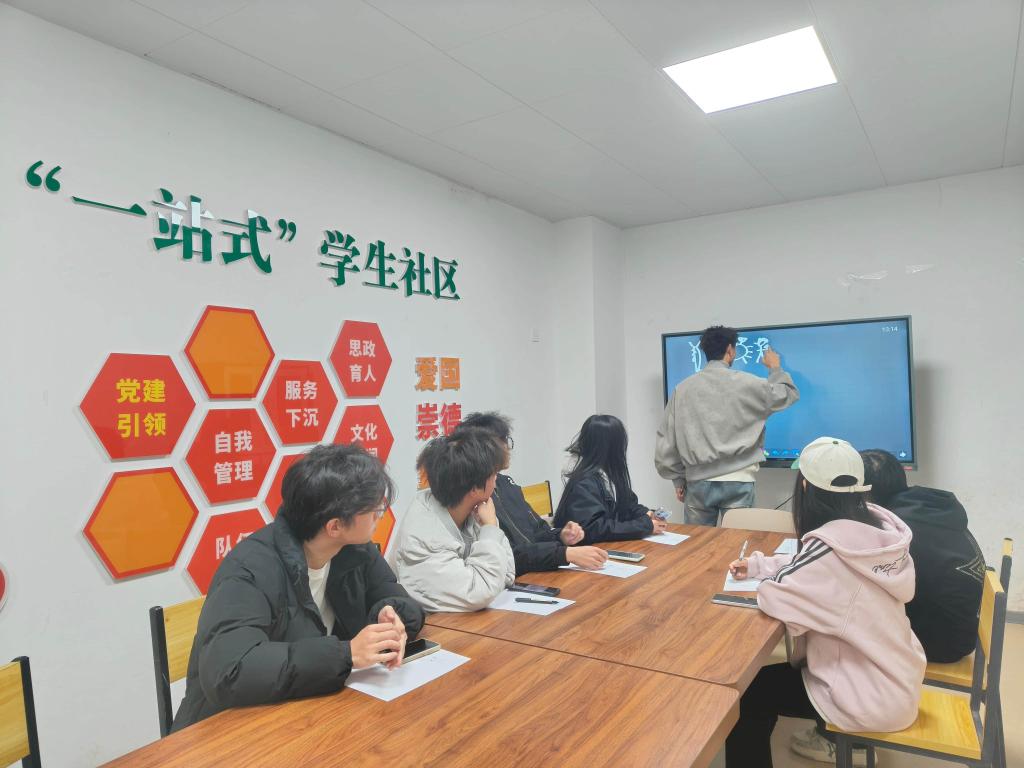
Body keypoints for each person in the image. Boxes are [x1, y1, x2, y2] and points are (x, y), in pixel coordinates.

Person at [172, 444, 424, 732]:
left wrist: (389, 616)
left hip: (309, 714)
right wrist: (346, 654)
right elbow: (229, 672)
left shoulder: (354, 549)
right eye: (375, 509)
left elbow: (401, 600)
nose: (381, 514)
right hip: (229, 729)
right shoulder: (250, 569)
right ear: (334, 526)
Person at [724, 437, 925, 768]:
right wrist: (761, 565)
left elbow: (776, 595)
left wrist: (765, 576)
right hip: (896, 679)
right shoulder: (875, 532)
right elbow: (812, 564)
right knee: (762, 686)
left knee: (746, 697)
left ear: (804, 486)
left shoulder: (829, 549)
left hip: (866, 697)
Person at [655, 325, 799, 526]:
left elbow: (667, 441)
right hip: (739, 480)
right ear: (730, 350)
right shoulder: (749, 383)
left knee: (699, 543)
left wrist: (678, 479)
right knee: (739, 542)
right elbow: (787, 394)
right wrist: (775, 368)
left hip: (698, 483)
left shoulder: (682, 389)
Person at [860, 449, 984, 663]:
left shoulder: (898, 530)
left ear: (865, 493)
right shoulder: (927, 506)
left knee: (849, 626)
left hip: (943, 642)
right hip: (964, 629)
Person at [453, 412, 609, 574]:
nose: (508, 448)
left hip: (537, 570)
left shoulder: (506, 484)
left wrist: (561, 535)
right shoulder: (475, 497)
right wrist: (563, 554)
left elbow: (538, 531)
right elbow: (508, 556)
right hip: (514, 578)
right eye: (503, 441)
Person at [389, 428, 516, 612]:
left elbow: (507, 574)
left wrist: (489, 527)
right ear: (475, 488)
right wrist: (490, 528)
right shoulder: (424, 537)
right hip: (434, 627)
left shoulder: (474, 509)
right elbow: (481, 591)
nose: (497, 480)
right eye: (494, 474)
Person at [553, 414, 668, 543]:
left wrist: (648, 514)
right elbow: (595, 529)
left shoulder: (609, 474)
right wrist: (645, 525)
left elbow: (628, 505)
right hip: (588, 550)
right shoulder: (584, 482)